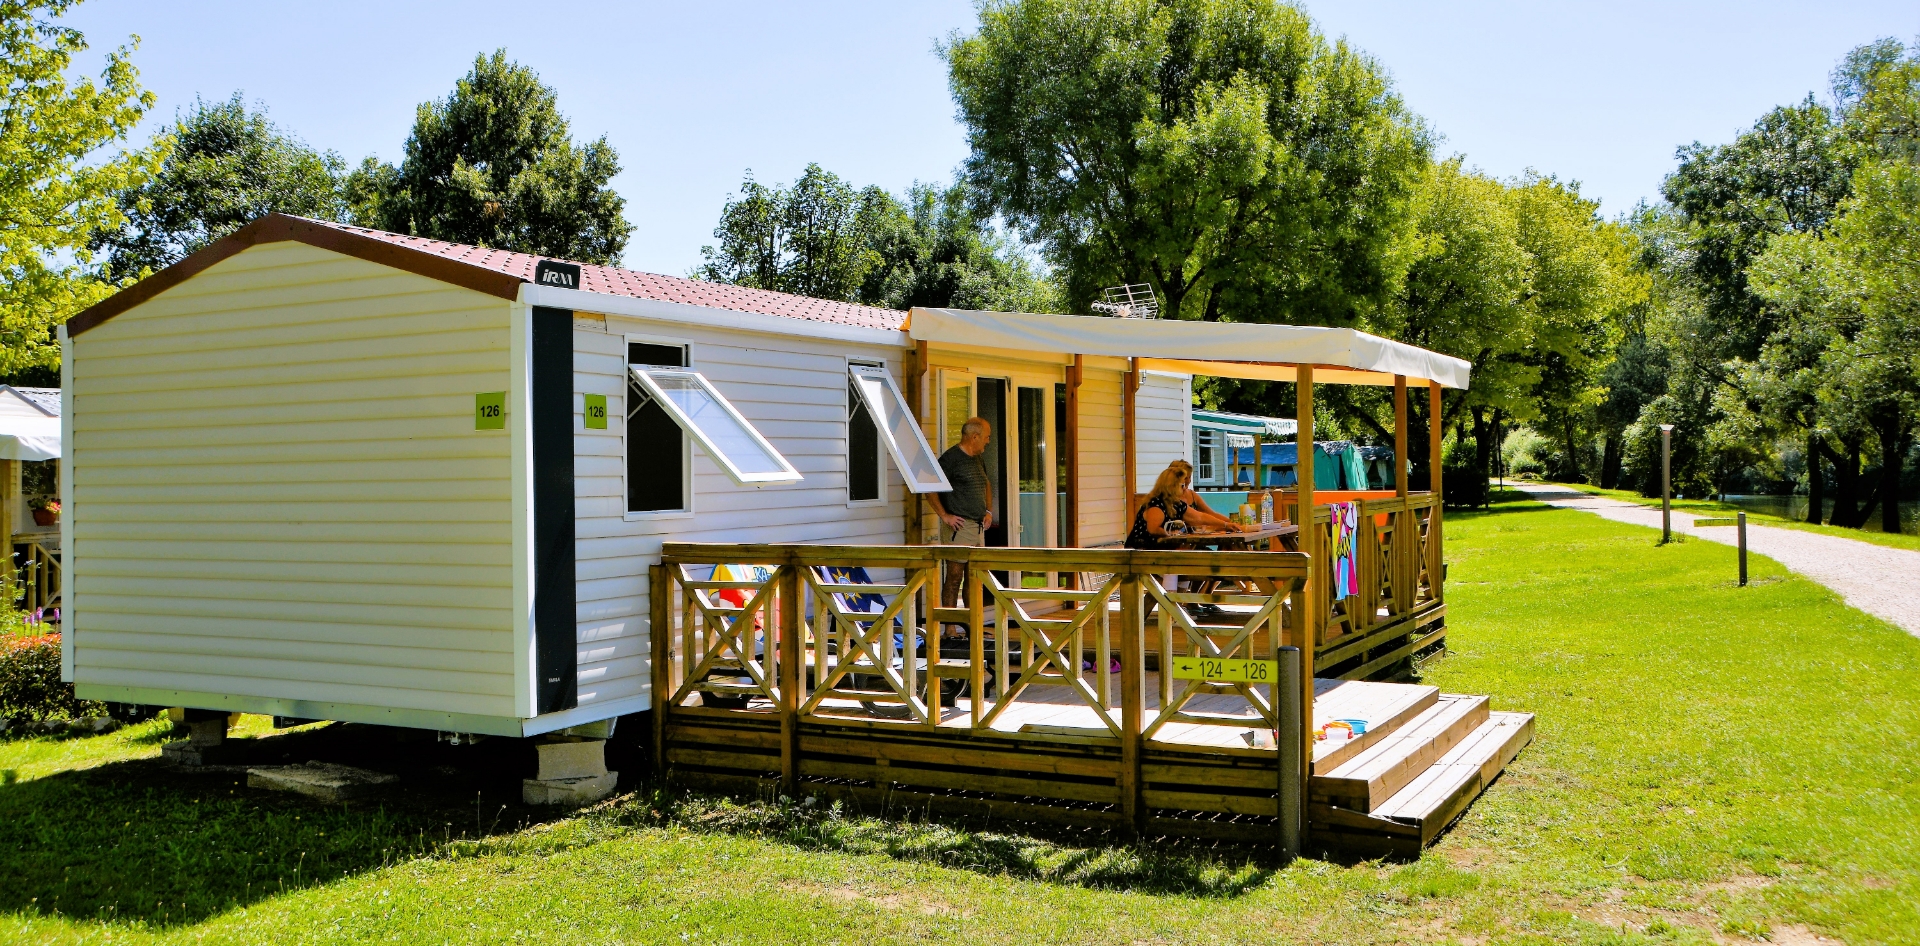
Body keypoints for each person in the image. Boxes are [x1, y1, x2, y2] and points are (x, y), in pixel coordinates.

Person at [929, 416, 993, 610]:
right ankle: (950, 629)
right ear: (974, 437)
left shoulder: (977, 458)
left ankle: (972, 625)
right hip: (959, 527)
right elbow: (930, 488)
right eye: (986, 437)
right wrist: (944, 515)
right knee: (955, 576)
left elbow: (986, 484)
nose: (988, 441)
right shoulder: (950, 459)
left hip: (978, 526)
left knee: (974, 577)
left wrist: (988, 511)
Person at [1126, 462, 1241, 550]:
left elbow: (1200, 517)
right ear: (1172, 486)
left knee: (1207, 556)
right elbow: (1153, 529)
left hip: (1167, 549)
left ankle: (1191, 581)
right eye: (1182, 485)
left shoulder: (1175, 503)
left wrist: (1226, 524)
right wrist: (1171, 533)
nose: (1185, 488)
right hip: (1143, 550)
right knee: (1199, 558)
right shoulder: (1156, 504)